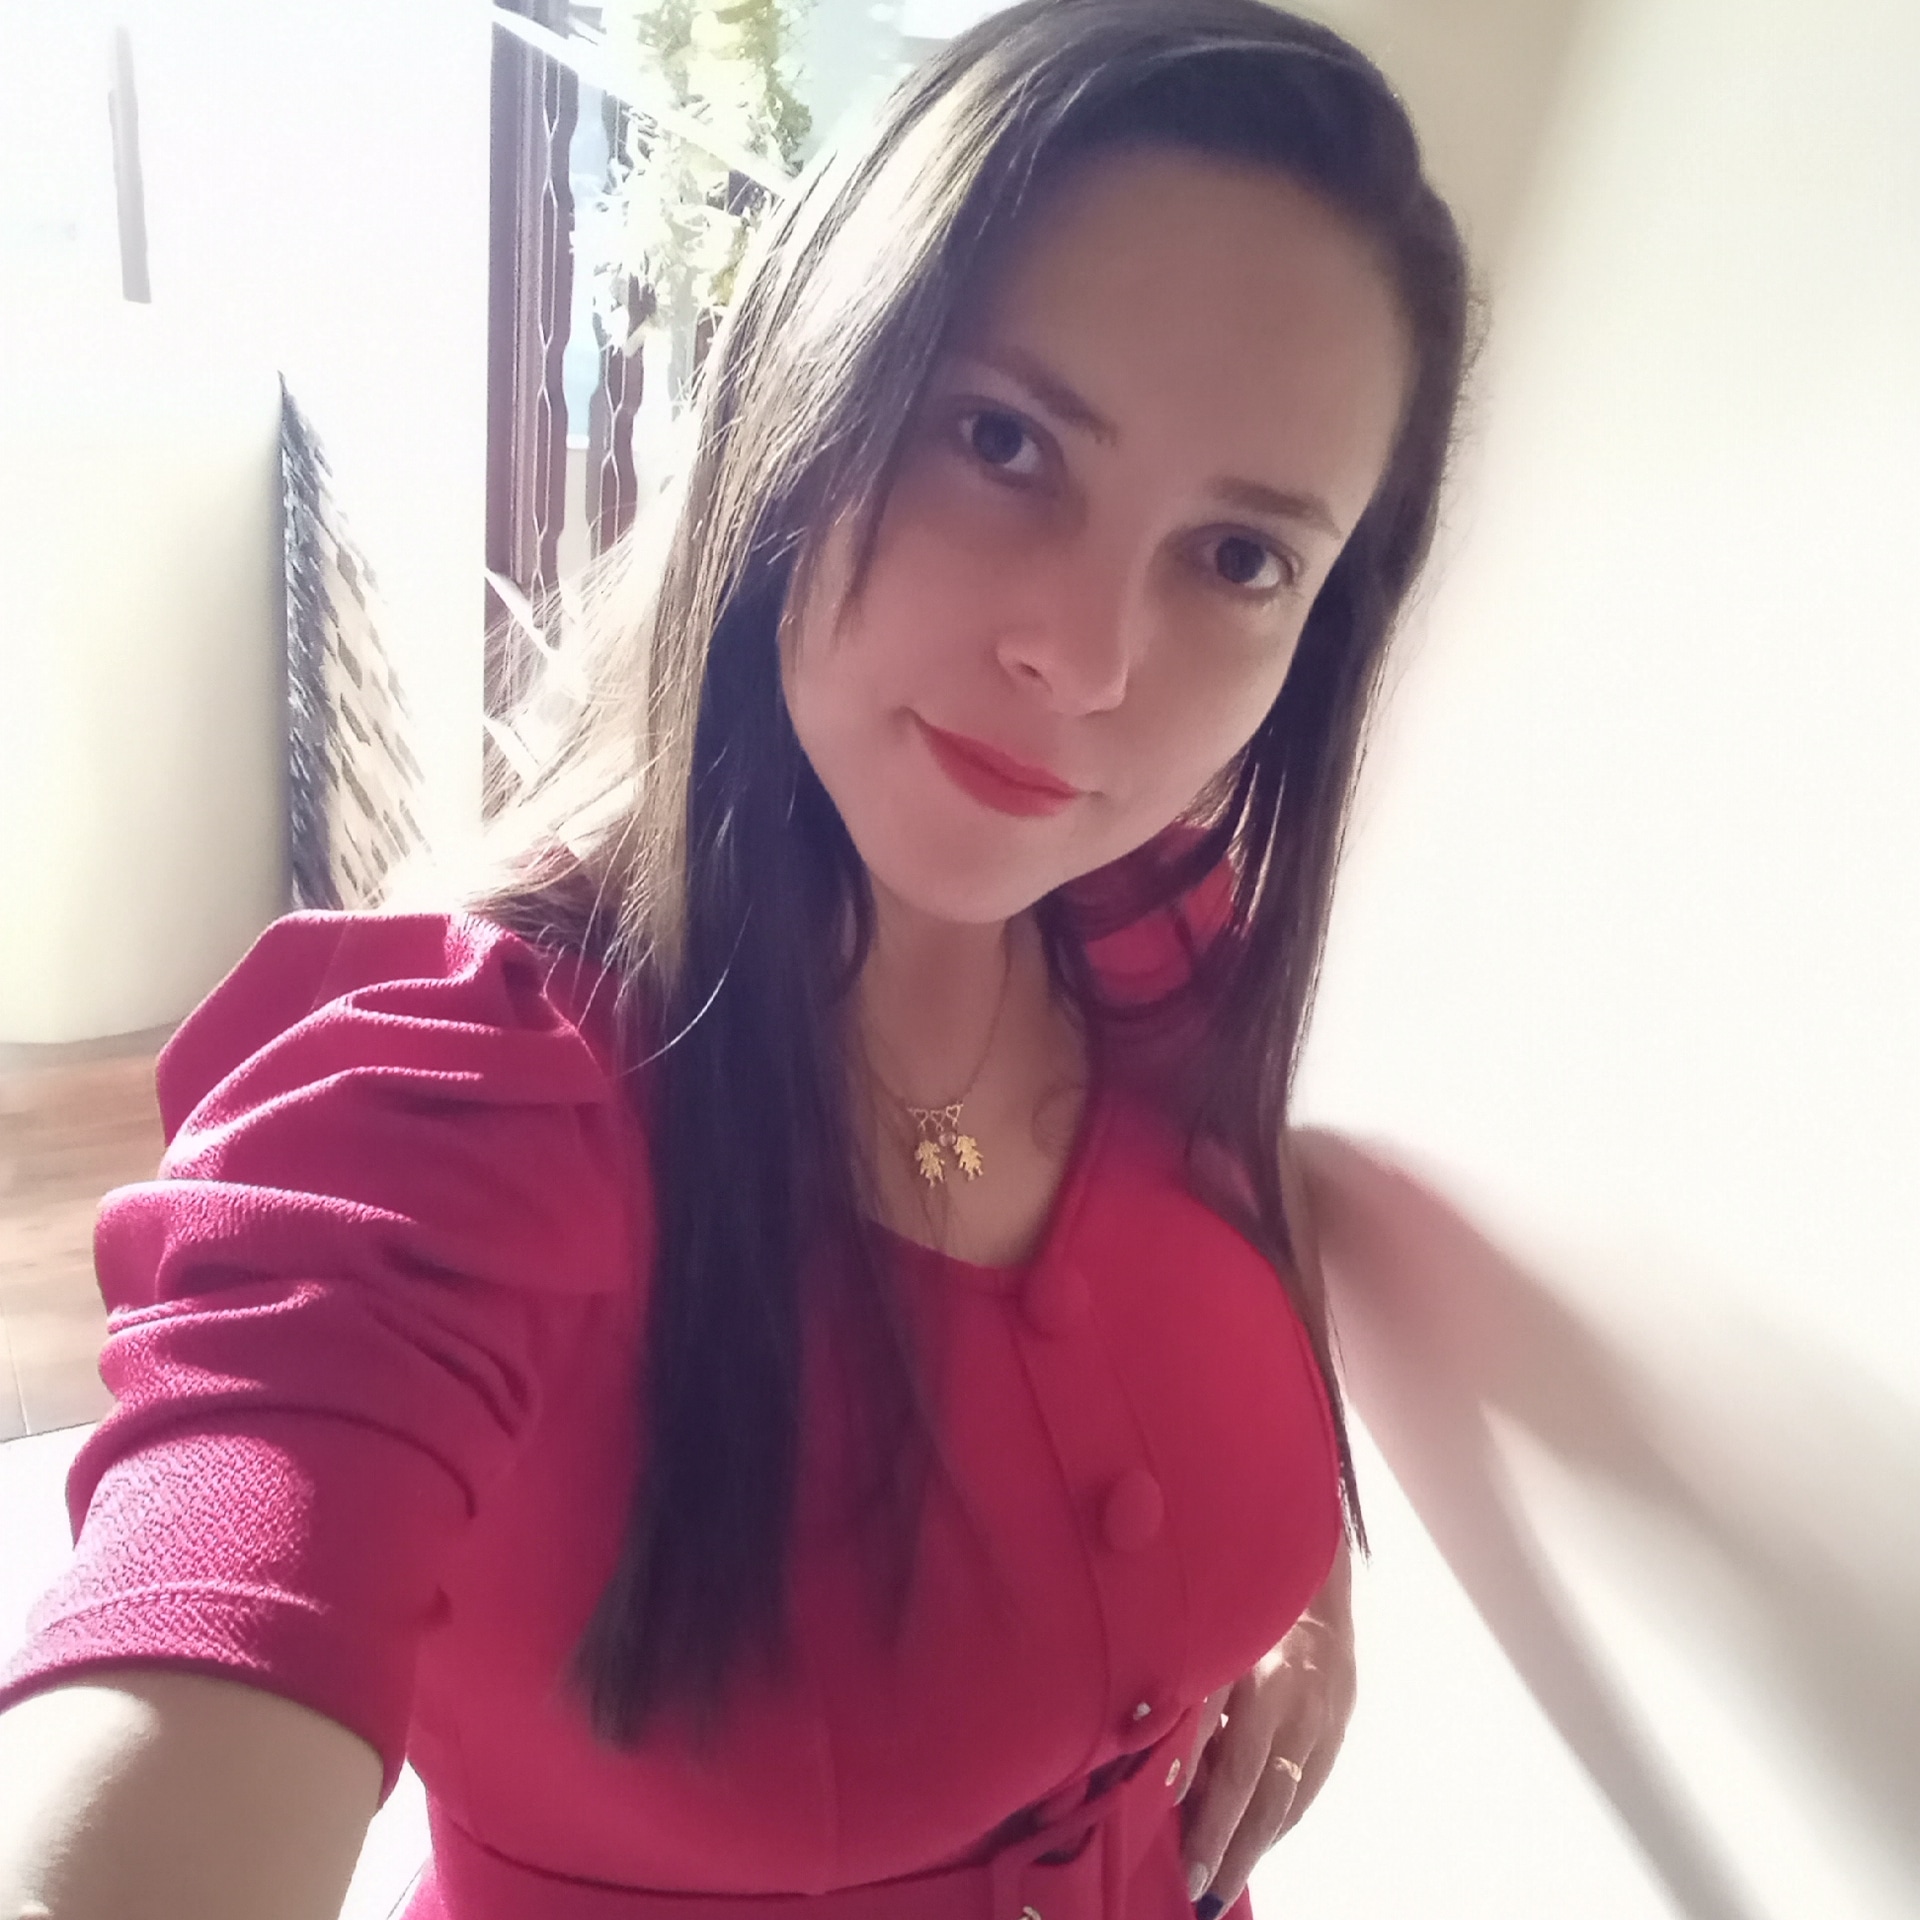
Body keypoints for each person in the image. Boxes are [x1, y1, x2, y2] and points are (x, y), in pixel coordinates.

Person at [0, 1, 1472, 1915]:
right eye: (1004, 440)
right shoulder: (442, 1102)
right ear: (805, 392)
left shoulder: (1157, 926)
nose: (1090, 659)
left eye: (1242, 556)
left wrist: (1292, 1586)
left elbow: (1235, 1224)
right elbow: (205, 1618)